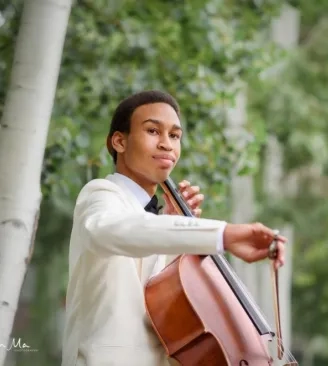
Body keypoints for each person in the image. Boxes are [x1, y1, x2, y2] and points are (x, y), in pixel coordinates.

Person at [61, 90, 286, 366]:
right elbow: (117, 230)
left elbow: (167, 317)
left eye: (175, 136)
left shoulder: (153, 221)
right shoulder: (99, 195)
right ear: (119, 141)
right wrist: (222, 235)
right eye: (153, 131)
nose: (167, 144)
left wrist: (173, 230)